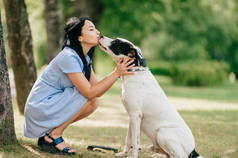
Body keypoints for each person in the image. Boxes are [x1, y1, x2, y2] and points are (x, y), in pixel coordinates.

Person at [24, 17, 135, 155]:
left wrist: (117, 73)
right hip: (39, 107)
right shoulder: (68, 57)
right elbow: (89, 92)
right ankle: (54, 135)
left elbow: (96, 91)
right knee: (85, 94)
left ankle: (51, 134)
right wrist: (115, 73)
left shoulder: (84, 58)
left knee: (93, 102)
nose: (98, 32)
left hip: (49, 105)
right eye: (91, 29)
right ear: (80, 37)